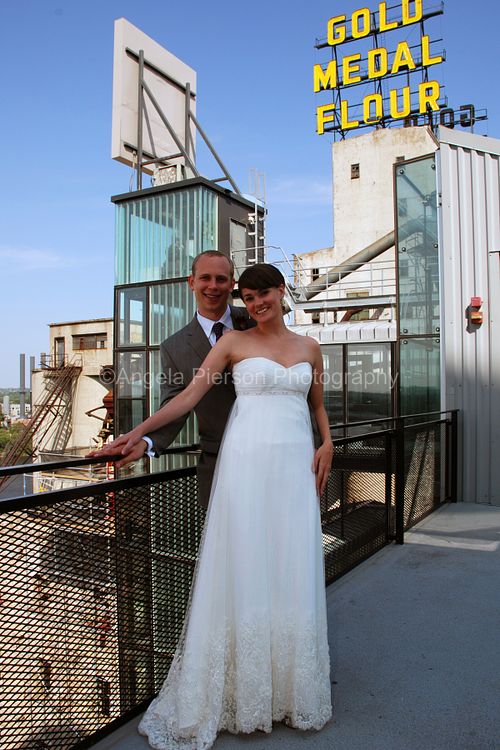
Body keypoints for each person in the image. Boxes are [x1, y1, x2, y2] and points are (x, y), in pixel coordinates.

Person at [95, 263, 333, 750]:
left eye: (263, 292)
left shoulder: (310, 347)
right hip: (244, 467)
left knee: (291, 565)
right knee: (244, 567)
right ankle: (244, 690)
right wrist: (137, 433)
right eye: (248, 295)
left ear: (281, 291)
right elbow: (187, 397)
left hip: (293, 469)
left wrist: (328, 443)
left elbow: (317, 403)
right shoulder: (232, 345)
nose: (256, 302)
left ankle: (288, 687)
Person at [99, 250, 255, 508]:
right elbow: (176, 403)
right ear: (191, 282)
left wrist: (318, 443)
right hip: (220, 463)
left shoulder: (257, 321)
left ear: (232, 283)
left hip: (274, 453)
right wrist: (146, 441)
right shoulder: (174, 347)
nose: (213, 286)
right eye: (205, 278)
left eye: (221, 279)